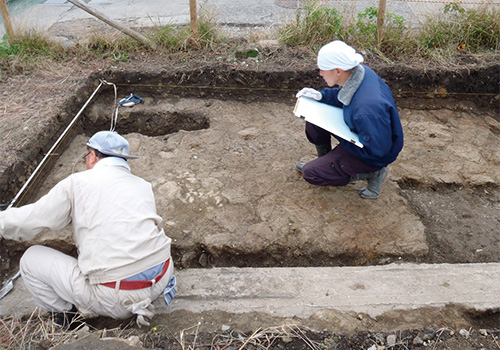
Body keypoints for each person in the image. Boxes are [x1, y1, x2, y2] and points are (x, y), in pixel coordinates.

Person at [0, 131, 176, 327]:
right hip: (161, 276)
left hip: (119, 296)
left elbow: (30, 222)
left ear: (92, 156)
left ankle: (68, 320)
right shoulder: (142, 184)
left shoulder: (76, 183)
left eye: (86, 156)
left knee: (31, 259)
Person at [295, 40, 404, 198]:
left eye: (323, 70)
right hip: (363, 131)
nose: (320, 73)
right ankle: (325, 161)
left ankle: (374, 173)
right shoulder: (359, 73)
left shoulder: (366, 109)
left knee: (311, 173)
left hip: (375, 154)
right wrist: (321, 96)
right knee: (313, 117)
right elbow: (344, 94)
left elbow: (377, 150)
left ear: (338, 70)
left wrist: (343, 139)